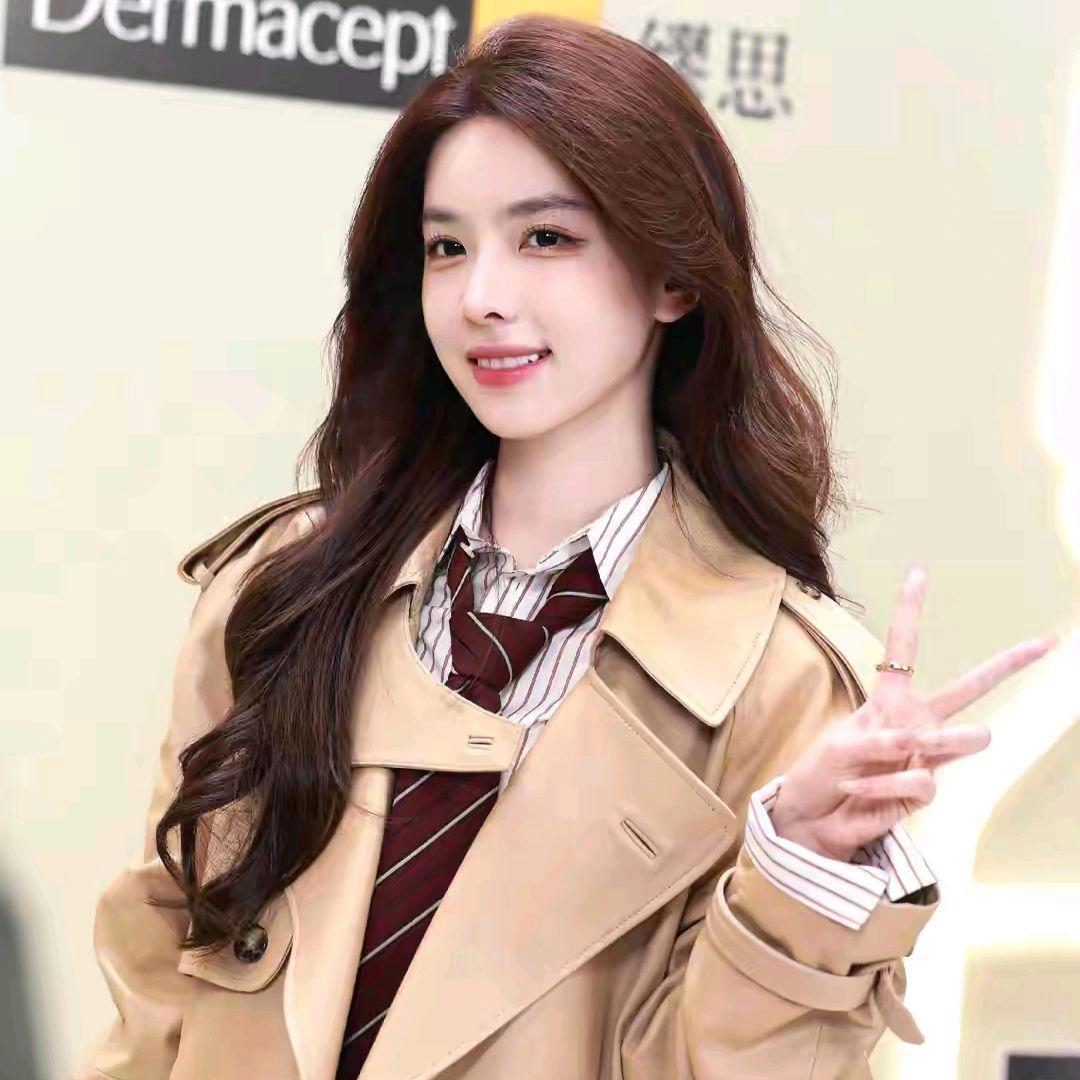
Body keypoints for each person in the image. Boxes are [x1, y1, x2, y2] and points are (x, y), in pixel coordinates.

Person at [73, 14, 1054, 1080]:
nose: (482, 297)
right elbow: (154, 990)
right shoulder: (283, 594)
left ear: (673, 278)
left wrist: (801, 871)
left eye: (545, 238)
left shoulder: (781, 684)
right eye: (447, 247)